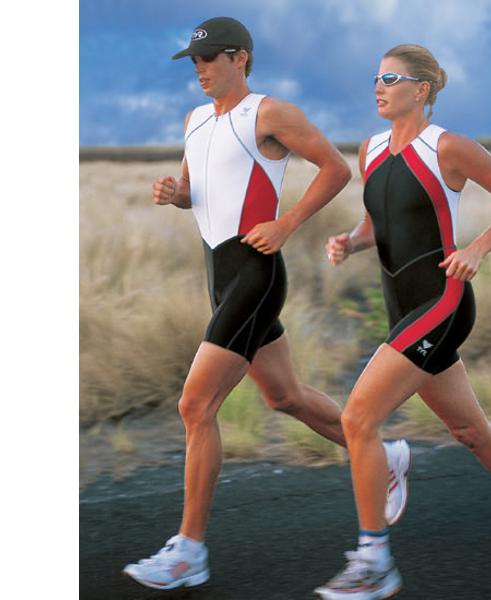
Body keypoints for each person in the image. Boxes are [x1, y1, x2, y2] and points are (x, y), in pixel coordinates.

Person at [122, 17, 411, 591]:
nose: (200, 69)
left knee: (195, 406)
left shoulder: (269, 114)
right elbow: (195, 193)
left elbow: (334, 168)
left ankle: (188, 552)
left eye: (210, 58)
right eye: (194, 61)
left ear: (241, 59)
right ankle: (389, 456)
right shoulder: (194, 120)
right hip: (220, 276)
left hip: (255, 276)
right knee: (283, 397)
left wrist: (286, 223)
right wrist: (174, 194)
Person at [316, 44, 491, 600]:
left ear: (421, 90)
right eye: (376, 77)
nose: (377, 87)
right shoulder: (371, 149)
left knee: (358, 418)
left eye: (390, 79)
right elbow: (378, 221)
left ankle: (374, 562)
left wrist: (477, 248)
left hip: (442, 303)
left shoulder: (447, 147)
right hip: (401, 306)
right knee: (470, 431)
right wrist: (351, 242)